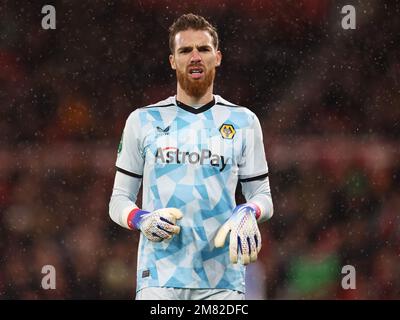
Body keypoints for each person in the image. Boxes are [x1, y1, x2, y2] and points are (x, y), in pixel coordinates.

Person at [109, 13, 273, 300]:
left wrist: (249, 211)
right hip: (159, 278)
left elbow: (262, 195)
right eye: (185, 50)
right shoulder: (143, 120)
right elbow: (118, 200)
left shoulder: (244, 121)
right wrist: (140, 219)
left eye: (203, 49)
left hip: (222, 280)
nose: (195, 57)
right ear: (173, 60)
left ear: (218, 57)